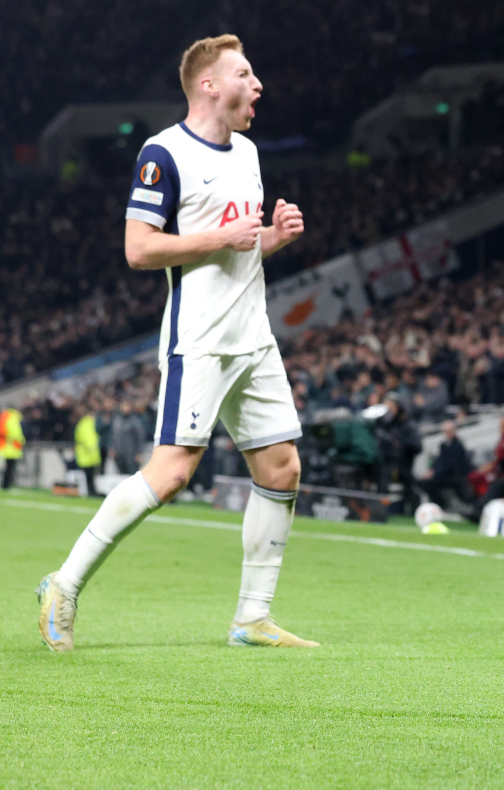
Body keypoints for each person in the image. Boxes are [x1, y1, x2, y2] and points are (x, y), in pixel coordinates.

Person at [36, 35, 316, 652]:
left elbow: (238, 247)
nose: (259, 84)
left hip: (255, 339)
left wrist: (271, 239)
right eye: (245, 73)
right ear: (209, 85)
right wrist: (225, 236)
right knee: (171, 474)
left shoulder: (247, 151)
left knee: (282, 466)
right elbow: (139, 249)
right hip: (201, 339)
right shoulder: (163, 153)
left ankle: (252, 617)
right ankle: (64, 582)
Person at [374, 393, 422, 515]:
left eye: (392, 406)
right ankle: (379, 511)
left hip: (402, 465)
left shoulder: (407, 425)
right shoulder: (382, 423)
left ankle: (414, 513)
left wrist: (400, 444)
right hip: (385, 462)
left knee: (409, 488)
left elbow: (417, 446)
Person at [419, 420, 473, 510]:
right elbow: (439, 461)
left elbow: (451, 465)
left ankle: (442, 506)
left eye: (449, 431)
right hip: (442, 474)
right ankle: (439, 504)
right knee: (424, 482)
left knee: (430, 483)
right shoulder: (444, 445)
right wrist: (431, 470)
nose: (447, 434)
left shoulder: (458, 446)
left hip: (453, 476)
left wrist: (435, 473)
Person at [110, 400, 148, 475]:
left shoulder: (135, 421)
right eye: (123, 406)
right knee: (121, 475)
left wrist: (139, 453)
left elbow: (140, 437)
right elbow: (114, 435)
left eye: (127, 406)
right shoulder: (117, 420)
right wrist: (112, 448)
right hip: (119, 454)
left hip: (131, 454)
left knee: (132, 474)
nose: (125, 408)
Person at [73, 406, 102, 497]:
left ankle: (90, 492)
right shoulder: (88, 423)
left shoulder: (82, 422)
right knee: (89, 476)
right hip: (88, 455)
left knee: (88, 476)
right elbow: (89, 439)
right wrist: (94, 449)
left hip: (84, 455)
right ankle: (91, 492)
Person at [0, 406, 24, 489]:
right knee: (9, 468)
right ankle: (6, 485)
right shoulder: (12, 418)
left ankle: (6, 485)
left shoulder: (5, 417)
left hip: (6, 447)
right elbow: (15, 432)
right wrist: (21, 440)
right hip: (11, 448)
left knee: (7, 467)